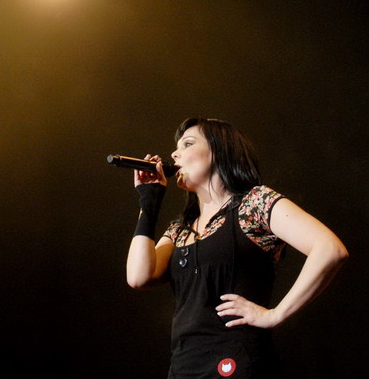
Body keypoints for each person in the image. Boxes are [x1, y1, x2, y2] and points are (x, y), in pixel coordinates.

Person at [126, 117, 348, 379]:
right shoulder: (180, 229)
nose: (174, 154)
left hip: (237, 363)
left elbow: (329, 248)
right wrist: (149, 203)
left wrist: (275, 315)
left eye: (187, 144)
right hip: (184, 367)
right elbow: (138, 276)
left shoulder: (254, 203)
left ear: (219, 151)